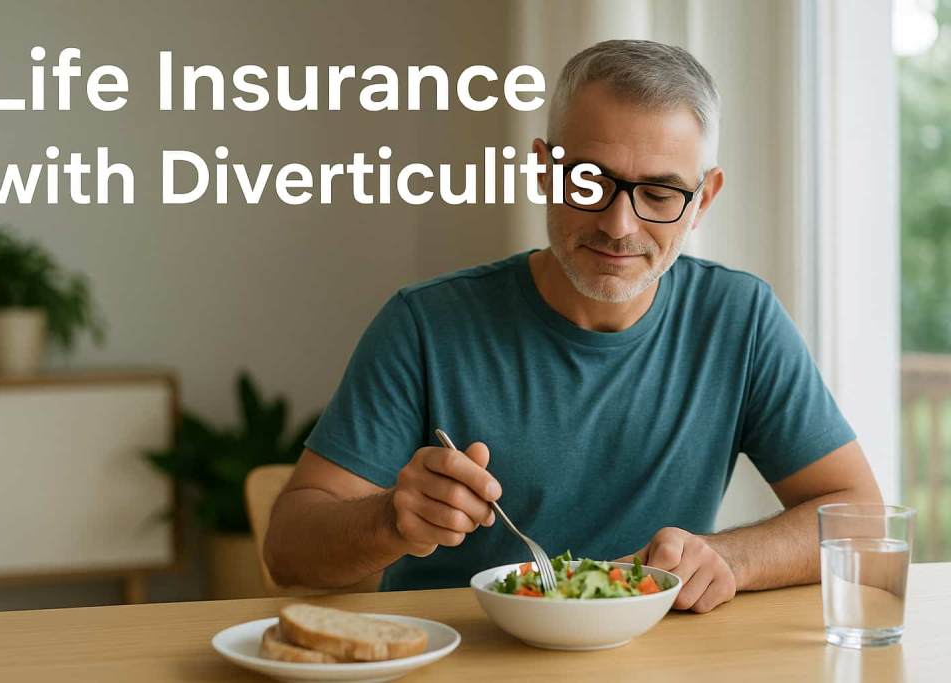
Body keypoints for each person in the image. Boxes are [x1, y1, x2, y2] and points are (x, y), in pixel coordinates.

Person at [264, 39, 882, 613]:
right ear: (542, 169)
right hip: (458, 656)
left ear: (704, 200)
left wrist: (728, 557)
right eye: (590, 180)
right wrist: (389, 521)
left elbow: (860, 515)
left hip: (659, 663)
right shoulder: (426, 324)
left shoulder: (739, 319)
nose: (618, 225)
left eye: (661, 194)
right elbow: (288, 550)